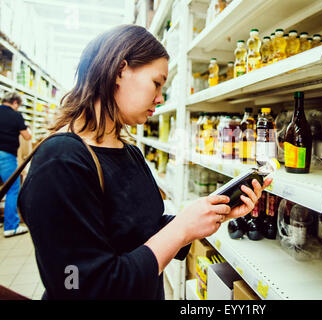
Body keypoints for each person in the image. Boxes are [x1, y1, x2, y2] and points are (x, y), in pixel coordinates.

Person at [17, 25, 272, 300]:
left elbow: (141, 229)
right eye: (157, 83)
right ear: (120, 71)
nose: (160, 98)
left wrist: (210, 213)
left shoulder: (129, 151)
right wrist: (181, 228)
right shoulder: (61, 161)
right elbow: (87, 288)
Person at [0, 92, 32, 237]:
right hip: (6, 155)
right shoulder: (15, 115)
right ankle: (11, 227)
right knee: (12, 189)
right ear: (15, 102)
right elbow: (27, 136)